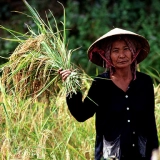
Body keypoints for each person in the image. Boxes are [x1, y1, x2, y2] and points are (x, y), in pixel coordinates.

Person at [58, 28, 159, 160]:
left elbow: (150, 123)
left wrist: (156, 154)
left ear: (133, 52)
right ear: (107, 55)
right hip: (110, 156)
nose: (122, 55)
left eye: (126, 49)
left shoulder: (144, 82)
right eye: (115, 51)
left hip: (141, 155)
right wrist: (71, 86)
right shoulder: (101, 84)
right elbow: (81, 114)